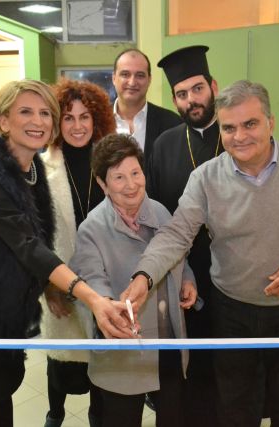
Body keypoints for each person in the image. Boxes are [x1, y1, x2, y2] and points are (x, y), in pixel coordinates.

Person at [123, 80, 279, 426]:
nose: (239, 136)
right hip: (232, 313)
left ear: (271, 122)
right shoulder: (205, 178)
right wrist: (144, 276)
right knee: (235, 407)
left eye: (250, 124)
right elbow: (177, 234)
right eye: (229, 128)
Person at [0, 79, 133, 427]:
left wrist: (49, 285)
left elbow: (43, 235)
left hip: (5, 311)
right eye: (25, 112)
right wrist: (92, 298)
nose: (38, 121)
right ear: (4, 121)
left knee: (1, 401)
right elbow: (28, 245)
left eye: (45, 113)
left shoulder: (32, 168)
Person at [70, 133, 196, 427]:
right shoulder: (91, 229)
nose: (131, 185)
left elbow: (178, 254)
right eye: (119, 177)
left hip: (168, 343)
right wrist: (109, 308)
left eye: (136, 173)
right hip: (124, 351)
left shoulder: (161, 211)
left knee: (173, 417)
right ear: (102, 184)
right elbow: (93, 283)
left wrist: (187, 279)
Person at [145, 44, 223, 425]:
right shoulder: (164, 145)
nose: (191, 100)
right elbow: (157, 215)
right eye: (181, 93)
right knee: (185, 366)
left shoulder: (236, 136)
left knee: (227, 366)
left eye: (197, 89)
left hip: (234, 274)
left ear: (213, 87)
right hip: (183, 274)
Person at [40, 79, 115, 427]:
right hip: (59, 277)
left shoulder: (110, 161)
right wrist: (47, 285)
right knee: (60, 360)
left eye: (85, 116)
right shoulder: (42, 167)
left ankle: (97, 417)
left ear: (96, 119)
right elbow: (35, 235)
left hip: (105, 279)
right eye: (68, 117)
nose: (77, 126)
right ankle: (54, 414)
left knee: (101, 358)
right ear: (57, 122)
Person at [112, 48, 181, 168]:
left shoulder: (173, 124)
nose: (132, 82)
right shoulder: (96, 123)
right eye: (125, 74)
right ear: (114, 78)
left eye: (140, 75)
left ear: (149, 80)